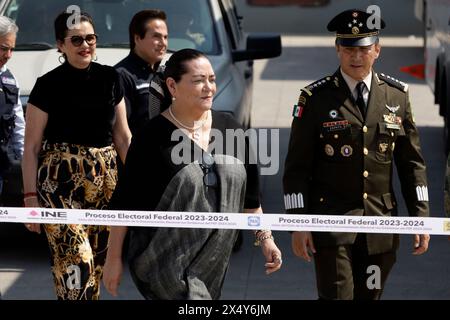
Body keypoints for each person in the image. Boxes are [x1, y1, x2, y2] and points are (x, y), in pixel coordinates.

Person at [103, 48, 282, 300]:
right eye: (198, 81)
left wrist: (266, 240)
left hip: (213, 265)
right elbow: (125, 202)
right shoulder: (151, 137)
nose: (209, 87)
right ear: (172, 87)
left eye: (211, 79)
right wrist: (113, 261)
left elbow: (251, 202)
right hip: (163, 264)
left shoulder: (231, 128)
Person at [283, 9, 430, 300]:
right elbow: (297, 168)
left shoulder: (396, 96)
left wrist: (420, 217)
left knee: (370, 296)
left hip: (380, 226)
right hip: (332, 225)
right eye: (348, 49)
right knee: (338, 296)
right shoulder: (315, 98)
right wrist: (297, 224)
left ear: (377, 49)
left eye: (363, 49)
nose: (356, 57)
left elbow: (411, 163)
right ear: (337, 49)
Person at [21, 11, 131, 300]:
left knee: (95, 265)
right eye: (77, 40)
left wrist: (137, 182)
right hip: (59, 183)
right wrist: (30, 197)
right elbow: (31, 147)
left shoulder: (112, 78)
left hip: (106, 181)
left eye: (91, 38)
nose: (85, 45)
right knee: (76, 261)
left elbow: (123, 137)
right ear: (61, 44)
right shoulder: (47, 85)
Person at [115, 9, 168, 135]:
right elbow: (121, 134)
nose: (163, 43)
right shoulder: (121, 75)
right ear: (137, 38)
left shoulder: (165, 74)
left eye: (165, 37)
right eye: (156, 36)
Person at [0, 16, 25, 203]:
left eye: (11, 49)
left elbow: (18, 124)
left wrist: (25, 161)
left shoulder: (10, 79)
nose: (8, 55)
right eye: (3, 48)